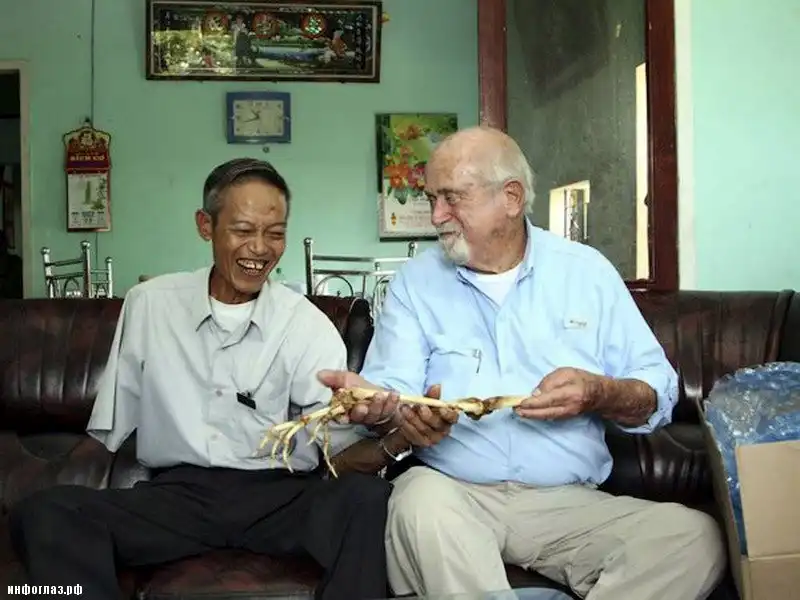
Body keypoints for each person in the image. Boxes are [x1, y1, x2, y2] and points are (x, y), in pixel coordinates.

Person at [320, 127, 727, 600]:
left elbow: (658, 391)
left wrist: (600, 392)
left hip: (569, 506)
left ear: (510, 198)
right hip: (453, 495)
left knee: (694, 539)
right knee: (419, 504)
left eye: (452, 198)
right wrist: (380, 409)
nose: (436, 216)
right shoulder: (415, 283)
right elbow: (391, 390)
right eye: (432, 198)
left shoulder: (586, 272)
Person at [8, 158, 409, 600]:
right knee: (46, 512)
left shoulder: (307, 325)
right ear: (206, 226)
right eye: (243, 230)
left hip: (281, 496)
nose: (260, 248)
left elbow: (338, 455)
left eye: (275, 233)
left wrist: (389, 429)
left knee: (365, 500)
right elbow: (109, 435)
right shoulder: (151, 306)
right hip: (180, 496)